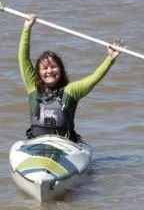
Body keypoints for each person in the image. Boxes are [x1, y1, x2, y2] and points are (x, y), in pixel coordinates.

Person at [20, 12, 123, 142]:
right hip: (36, 143)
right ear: (38, 73)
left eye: (53, 66)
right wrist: (27, 28)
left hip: (65, 146)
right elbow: (24, 59)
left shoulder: (71, 91)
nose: (49, 71)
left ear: (61, 69)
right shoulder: (32, 86)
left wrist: (110, 58)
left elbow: (95, 77)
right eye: (45, 68)